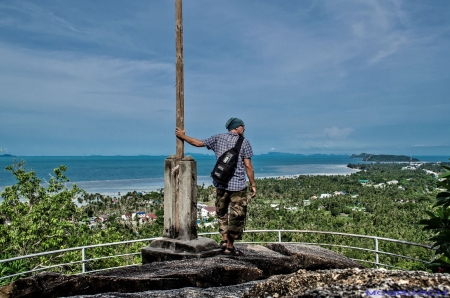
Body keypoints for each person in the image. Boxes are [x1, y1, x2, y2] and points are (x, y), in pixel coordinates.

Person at [175, 117, 256, 256]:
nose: (244, 129)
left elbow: (198, 143)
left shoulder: (217, 138)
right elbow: (248, 165)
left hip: (221, 183)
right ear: (236, 127)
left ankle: (224, 239)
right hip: (238, 186)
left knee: (222, 212)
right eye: (243, 126)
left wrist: (182, 136)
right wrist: (253, 184)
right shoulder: (244, 142)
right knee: (237, 216)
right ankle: (229, 247)